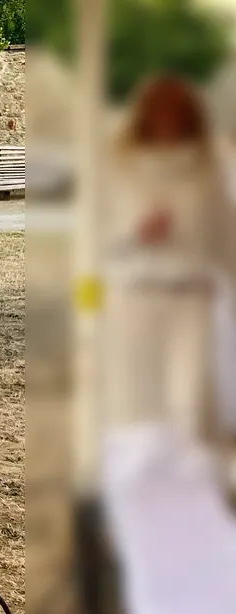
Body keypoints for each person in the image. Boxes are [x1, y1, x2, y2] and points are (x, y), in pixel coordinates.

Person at [105, 74, 226, 439]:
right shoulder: (122, 164)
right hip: (138, 290)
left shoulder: (211, 162)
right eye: (158, 110)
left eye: (175, 111)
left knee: (187, 395)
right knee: (139, 393)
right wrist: (136, 233)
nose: (166, 119)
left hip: (192, 292)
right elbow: (104, 230)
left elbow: (221, 226)